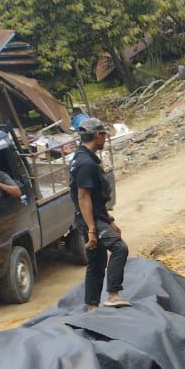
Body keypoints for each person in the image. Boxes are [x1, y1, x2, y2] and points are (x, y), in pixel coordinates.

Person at [69, 118, 130, 310]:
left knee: (96, 262)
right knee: (119, 248)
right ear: (96, 135)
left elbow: (95, 198)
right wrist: (92, 230)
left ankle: (92, 307)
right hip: (90, 219)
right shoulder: (85, 163)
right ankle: (113, 294)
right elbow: (83, 197)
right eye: (103, 134)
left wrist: (109, 220)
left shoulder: (83, 158)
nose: (104, 139)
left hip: (95, 216)